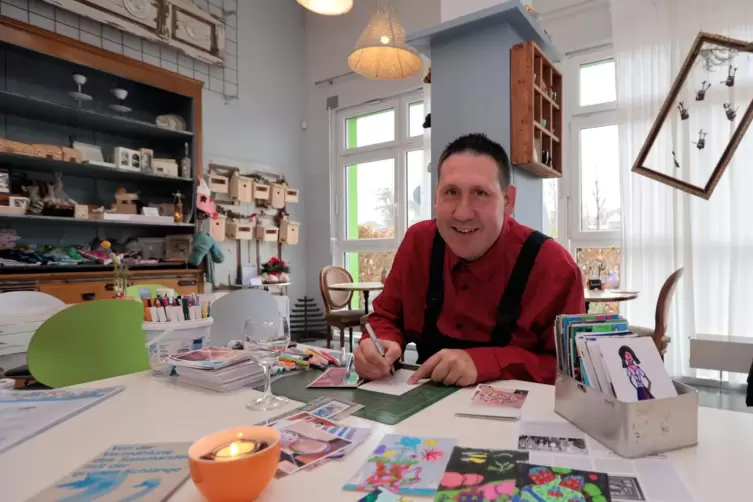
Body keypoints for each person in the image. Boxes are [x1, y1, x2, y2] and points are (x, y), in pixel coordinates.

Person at [354, 133, 584, 386]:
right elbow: (387, 317)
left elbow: (572, 370)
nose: (462, 213)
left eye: (480, 193)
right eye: (451, 192)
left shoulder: (554, 268)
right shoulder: (418, 242)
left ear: (508, 201)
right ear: (436, 198)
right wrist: (379, 344)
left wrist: (486, 363)